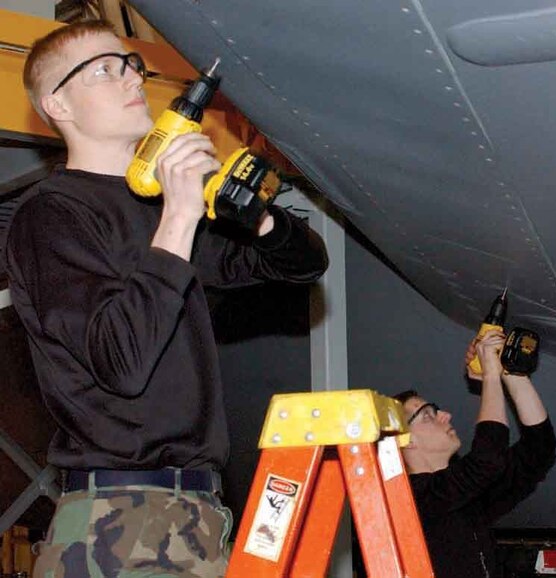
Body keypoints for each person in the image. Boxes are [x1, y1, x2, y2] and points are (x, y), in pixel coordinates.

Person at [4, 20, 328, 577]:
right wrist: (179, 215)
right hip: (119, 518)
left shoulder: (163, 214)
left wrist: (259, 216)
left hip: (196, 511)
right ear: (57, 103)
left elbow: (303, 265)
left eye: (131, 64)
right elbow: (121, 362)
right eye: (104, 69)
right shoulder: (50, 216)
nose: (132, 78)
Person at [393, 330, 556, 578]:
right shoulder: (411, 501)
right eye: (426, 414)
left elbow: (538, 450)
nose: (444, 415)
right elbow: (486, 460)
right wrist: (490, 375)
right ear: (404, 442)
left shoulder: (464, 498)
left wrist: (508, 370)